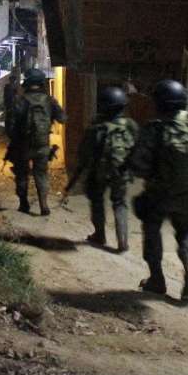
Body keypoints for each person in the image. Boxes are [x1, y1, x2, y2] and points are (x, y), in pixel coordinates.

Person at [127, 79, 188, 301]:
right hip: (187, 193)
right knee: (186, 232)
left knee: (151, 230)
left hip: (158, 193)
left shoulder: (153, 128)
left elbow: (138, 164)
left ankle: (156, 279)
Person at [66, 85, 138, 252]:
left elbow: (84, 155)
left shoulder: (96, 127)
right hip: (122, 171)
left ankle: (100, 235)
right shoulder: (130, 125)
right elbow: (138, 146)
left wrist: (75, 178)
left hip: (100, 172)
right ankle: (123, 241)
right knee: (120, 203)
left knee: (97, 200)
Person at [7, 68, 65, 214]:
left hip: (23, 145)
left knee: (21, 174)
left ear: (26, 83)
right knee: (41, 174)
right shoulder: (49, 100)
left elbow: (10, 126)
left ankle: (24, 204)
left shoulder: (19, 100)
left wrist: (14, 140)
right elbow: (63, 118)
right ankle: (43, 204)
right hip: (42, 144)